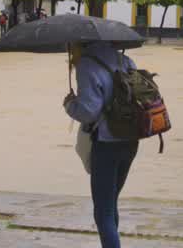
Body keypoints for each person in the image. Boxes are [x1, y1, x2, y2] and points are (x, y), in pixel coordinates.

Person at [64, 41, 139, 248]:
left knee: (103, 211)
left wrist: (70, 104)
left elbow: (88, 112)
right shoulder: (126, 60)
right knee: (110, 202)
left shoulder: (87, 65)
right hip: (131, 141)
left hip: (106, 143)